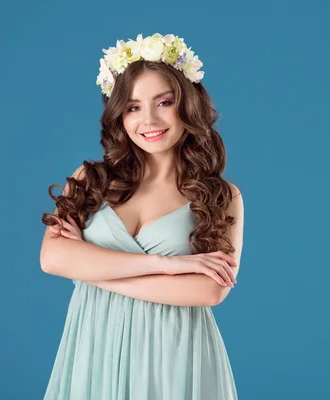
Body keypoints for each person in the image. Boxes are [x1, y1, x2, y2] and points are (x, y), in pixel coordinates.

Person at [39, 33, 244, 399]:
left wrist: (93, 273)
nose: (148, 119)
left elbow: (211, 289)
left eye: (163, 102)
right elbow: (53, 258)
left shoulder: (221, 196)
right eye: (132, 107)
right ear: (118, 113)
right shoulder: (91, 180)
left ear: (188, 105)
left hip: (177, 356)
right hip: (94, 349)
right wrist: (171, 266)